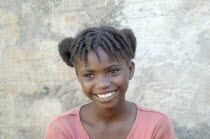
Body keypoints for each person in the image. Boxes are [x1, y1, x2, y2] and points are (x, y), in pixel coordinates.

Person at [44, 26, 175, 139]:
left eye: (112, 71)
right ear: (79, 77)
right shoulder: (62, 129)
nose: (102, 84)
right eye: (89, 75)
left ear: (130, 70)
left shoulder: (155, 125)